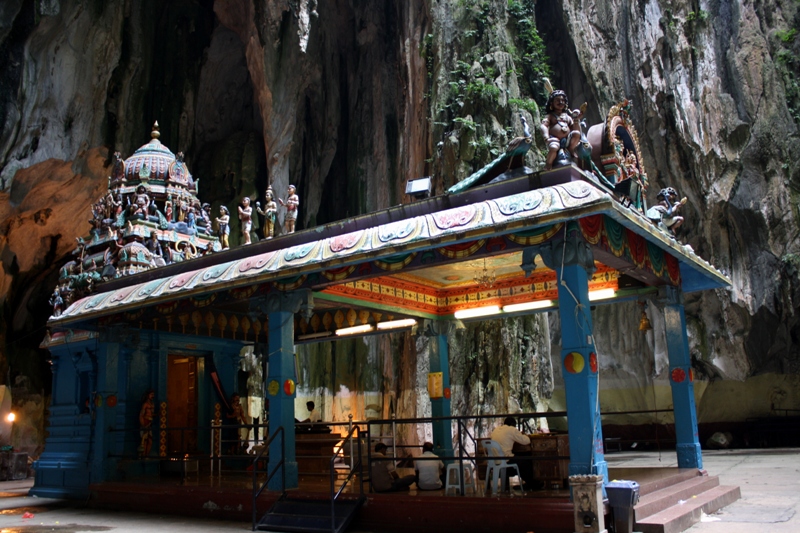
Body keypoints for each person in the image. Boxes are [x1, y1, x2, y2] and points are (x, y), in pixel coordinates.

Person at [540, 89, 585, 170]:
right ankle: (548, 164)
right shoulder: (550, 116)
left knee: (577, 134)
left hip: (567, 140)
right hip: (554, 139)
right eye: (557, 100)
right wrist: (546, 138)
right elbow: (544, 126)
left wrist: (576, 120)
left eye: (562, 100)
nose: (560, 102)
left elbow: (575, 129)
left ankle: (570, 150)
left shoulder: (567, 117)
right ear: (552, 103)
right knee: (554, 147)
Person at [490, 417, 537, 489]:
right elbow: (526, 441)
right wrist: (522, 434)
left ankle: (529, 483)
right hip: (506, 460)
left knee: (520, 459)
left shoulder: (495, 430)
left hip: (496, 461)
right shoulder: (511, 429)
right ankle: (532, 484)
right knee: (526, 461)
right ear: (513, 424)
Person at [139, 389, 155, 457]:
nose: (152, 396)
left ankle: (147, 455)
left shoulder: (152, 404)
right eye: (151, 394)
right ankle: (143, 455)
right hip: (145, 423)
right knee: (144, 440)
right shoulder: (145, 404)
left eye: (153, 395)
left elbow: (152, 414)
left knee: (150, 440)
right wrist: (143, 424)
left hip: (150, 423)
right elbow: (141, 415)